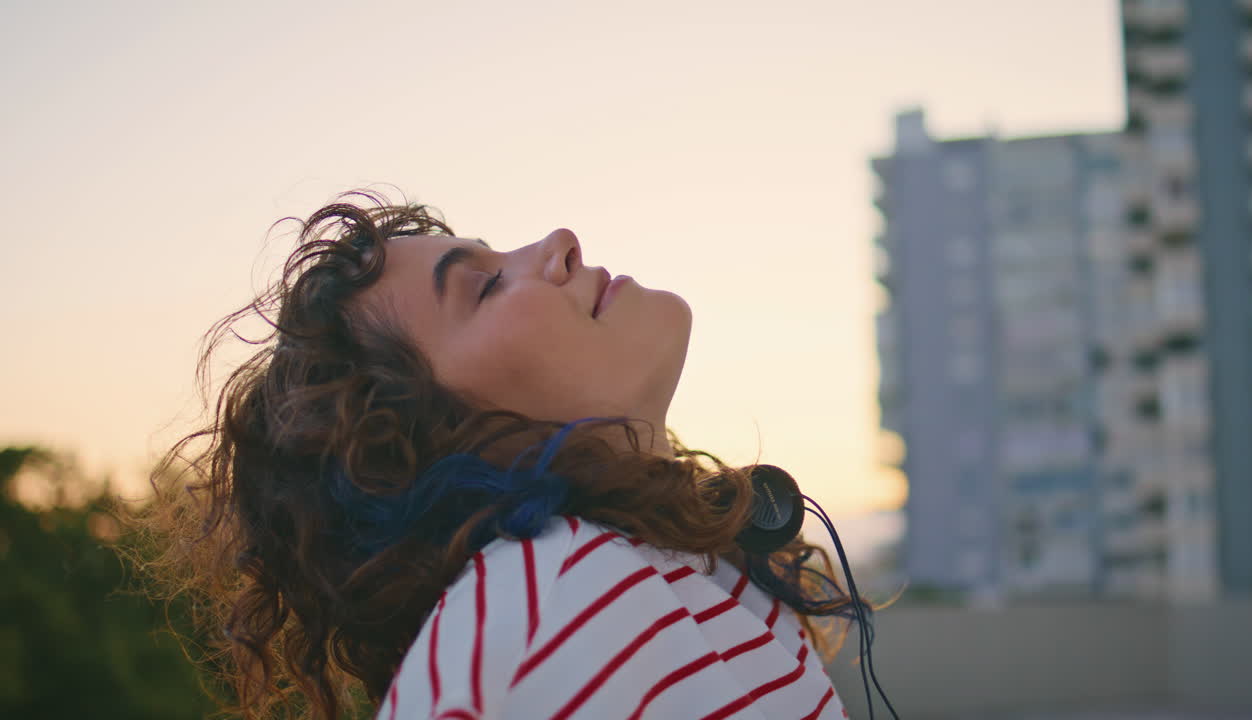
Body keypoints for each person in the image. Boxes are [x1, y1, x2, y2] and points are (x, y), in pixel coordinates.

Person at [131, 190, 872, 720]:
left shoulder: (650, 581)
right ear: (413, 442)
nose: (559, 242)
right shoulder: (543, 618)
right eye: (485, 286)